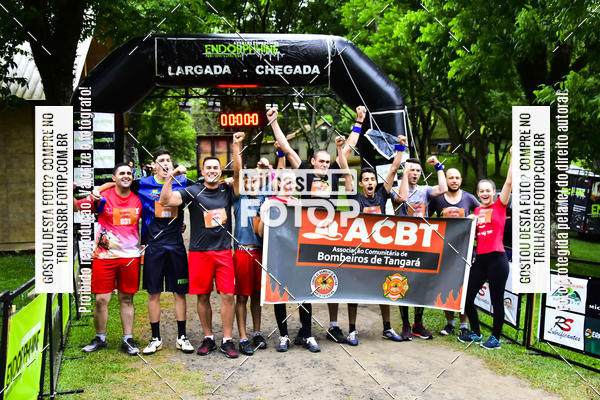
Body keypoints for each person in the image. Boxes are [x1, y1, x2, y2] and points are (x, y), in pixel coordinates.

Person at [267, 105, 366, 344]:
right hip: (306, 235)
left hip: (329, 235)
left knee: (330, 278)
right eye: (320, 161)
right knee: (303, 281)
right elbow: (287, 148)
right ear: (312, 161)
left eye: (326, 162)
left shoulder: (334, 172)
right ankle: (304, 330)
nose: (324, 165)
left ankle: (333, 326)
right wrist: (273, 122)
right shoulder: (303, 172)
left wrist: (359, 121)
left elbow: (348, 147)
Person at [159, 132, 243, 359]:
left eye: (216, 168)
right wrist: (171, 176)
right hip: (199, 253)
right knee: (203, 296)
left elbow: (238, 173)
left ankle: (227, 340)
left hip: (223, 251)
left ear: (220, 171)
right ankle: (208, 338)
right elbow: (165, 201)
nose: (212, 171)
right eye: (208, 168)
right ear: (203, 171)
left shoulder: (227, 189)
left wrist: (236, 146)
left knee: (228, 295)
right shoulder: (193, 191)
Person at [343, 135, 408, 345]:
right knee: (354, 291)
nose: (370, 182)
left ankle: (387, 328)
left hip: (380, 251)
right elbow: (345, 171)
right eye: (366, 180)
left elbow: (394, 168)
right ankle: (352, 330)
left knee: (385, 288)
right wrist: (340, 150)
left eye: (372, 179)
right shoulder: (354, 198)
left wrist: (401, 147)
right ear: (361, 183)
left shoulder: (381, 195)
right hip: (359, 252)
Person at [74, 163, 142, 356]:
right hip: (105, 256)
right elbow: (77, 207)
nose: (126, 176)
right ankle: (100, 338)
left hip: (130, 257)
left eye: (129, 173)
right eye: (122, 173)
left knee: (126, 298)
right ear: (114, 178)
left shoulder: (138, 199)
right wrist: (68, 191)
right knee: (101, 299)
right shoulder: (102, 197)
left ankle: (128, 339)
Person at [257, 169, 321, 352]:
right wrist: (265, 217)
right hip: (278, 257)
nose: (289, 185)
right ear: (278, 183)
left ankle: (307, 334)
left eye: (292, 182)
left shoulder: (298, 204)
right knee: (279, 295)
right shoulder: (269, 203)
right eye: (286, 181)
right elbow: (260, 233)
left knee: (304, 295)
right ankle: (283, 336)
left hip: (297, 257)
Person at [459, 147, 513, 350]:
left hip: (497, 259)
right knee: (466, 297)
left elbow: (509, 182)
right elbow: (470, 233)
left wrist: (513, 157)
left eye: (488, 190)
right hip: (480, 260)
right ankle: (476, 333)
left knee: (496, 300)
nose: (484, 193)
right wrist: (469, 220)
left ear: (494, 192)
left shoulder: (500, 205)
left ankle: (495, 339)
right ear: (477, 193)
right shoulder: (477, 210)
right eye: (481, 191)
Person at [393, 156, 448, 340]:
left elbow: (443, 189)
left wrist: (438, 166)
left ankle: (418, 323)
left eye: (418, 171)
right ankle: (405, 323)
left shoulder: (425, 190)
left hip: (422, 243)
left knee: (421, 283)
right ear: (405, 172)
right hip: (403, 244)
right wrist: (403, 172)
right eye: (412, 170)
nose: (415, 173)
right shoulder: (396, 190)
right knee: (402, 282)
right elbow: (402, 198)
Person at [429, 168, 480, 337]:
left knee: (463, 288)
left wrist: (475, 219)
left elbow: (484, 213)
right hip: (444, 250)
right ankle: (450, 323)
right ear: (446, 180)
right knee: (446, 286)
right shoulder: (437, 199)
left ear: (461, 180)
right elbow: (426, 219)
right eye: (451, 178)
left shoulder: (469, 198)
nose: (454, 181)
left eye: (457, 178)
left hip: (464, 249)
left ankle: (464, 325)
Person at [232, 151, 268, 355]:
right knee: (242, 296)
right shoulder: (239, 197)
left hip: (260, 252)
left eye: (255, 180)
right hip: (243, 252)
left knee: (256, 296)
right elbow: (237, 173)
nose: (252, 184)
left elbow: (278, 179)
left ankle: (257, 332)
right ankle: (243, 337)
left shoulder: (264, 198)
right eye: (249, 180)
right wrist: (237, 146)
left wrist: (269, 167)